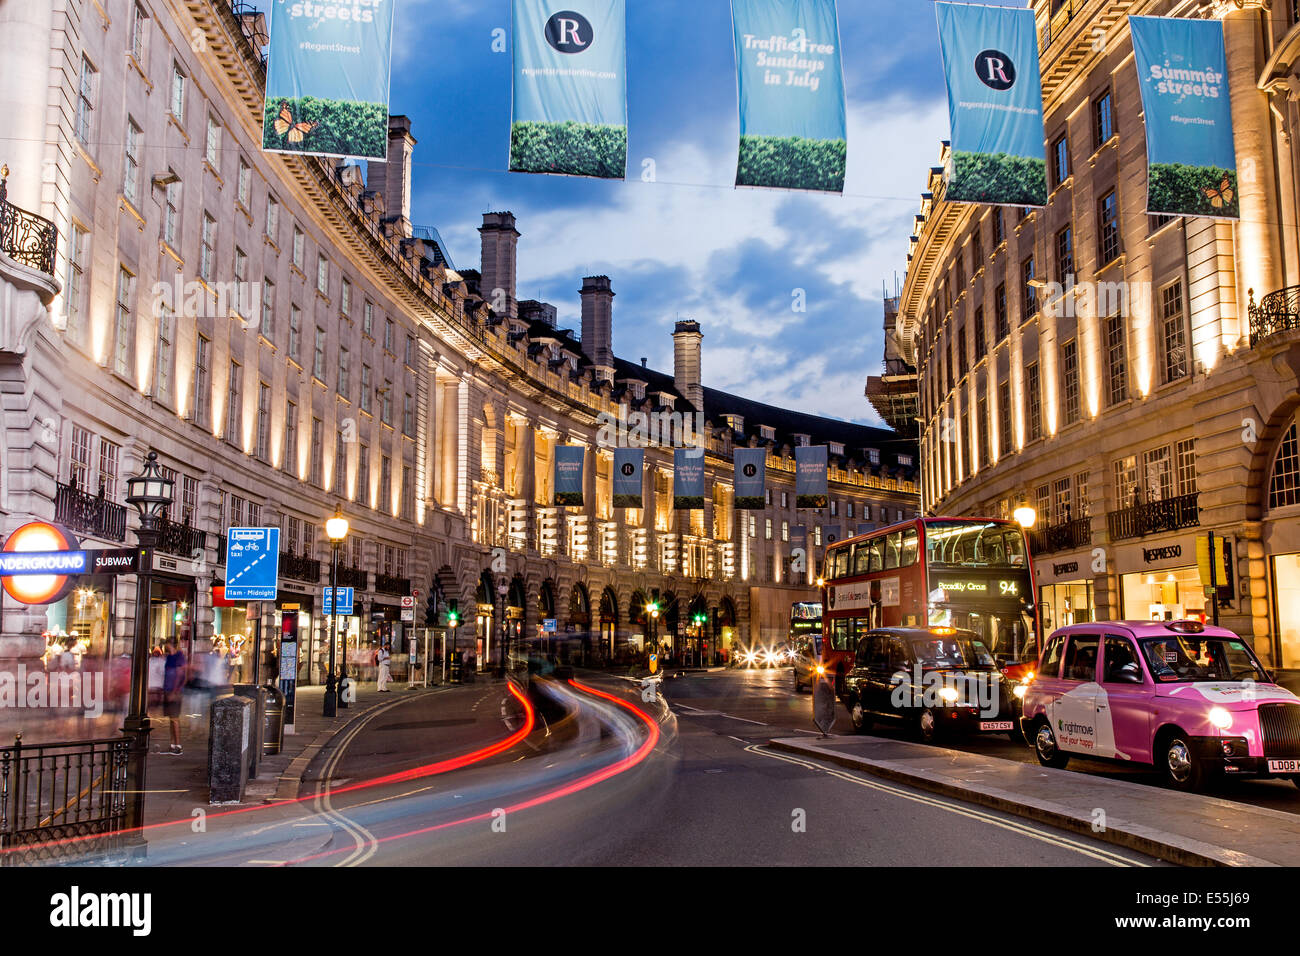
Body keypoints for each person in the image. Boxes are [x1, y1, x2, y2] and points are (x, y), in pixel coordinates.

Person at [162, 638, 186, 755]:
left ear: (169, 644)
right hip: (167, 690)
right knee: (171, 718)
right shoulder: (169, 657)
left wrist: (175, 691)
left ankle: (178, 745)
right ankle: (172, 744)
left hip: (174, 691)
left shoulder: (179, 656)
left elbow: (180, 674)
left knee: (175, 718)